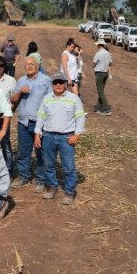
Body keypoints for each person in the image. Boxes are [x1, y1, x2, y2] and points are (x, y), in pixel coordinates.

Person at [34, 73, 86, 205]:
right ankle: (52, 187)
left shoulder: (74, 98)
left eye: (60, 82)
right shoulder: (47, 98)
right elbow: (41, 116)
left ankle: (69, 192)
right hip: (48, 136)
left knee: (68, 167)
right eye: (55, 82)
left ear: (65, 84)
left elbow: (80, 117)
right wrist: (37, 134)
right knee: (48, 164)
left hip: (66, 137)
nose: (58, 85)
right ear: (52, 84)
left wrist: (77, 135)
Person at [10, 56, 51, 191]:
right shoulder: (21, 81)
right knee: (23, 151)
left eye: (32, 64)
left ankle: (40, 180)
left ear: (37, 65)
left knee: (41, 152)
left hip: (40, 123)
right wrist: (21, 91)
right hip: (23, 122)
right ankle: (24, 176)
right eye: (27, 64)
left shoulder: (46, 81)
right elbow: (14, 100)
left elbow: (51, 101)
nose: (29, 66)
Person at [92, 39, 113, 115]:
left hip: (99, 73)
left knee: (100, 91)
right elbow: (110, 63)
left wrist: (93, 66)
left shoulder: (98, 53)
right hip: (105, 73)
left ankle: (106, 109)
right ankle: (98, 106)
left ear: (99, 45)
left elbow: (94, 62)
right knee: (101, 91)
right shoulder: (108, 53)